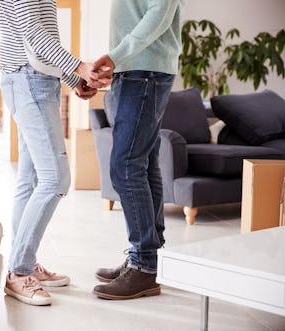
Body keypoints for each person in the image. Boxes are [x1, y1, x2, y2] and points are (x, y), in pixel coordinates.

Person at [0, 0, 110, 306]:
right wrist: (78, 67)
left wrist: (74, 79)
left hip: (35, 82)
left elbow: (39, 47)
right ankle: (19, 271)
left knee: (31, 177)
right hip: (28, 84)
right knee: (56, 179)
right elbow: (35, 35)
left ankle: (24, 261)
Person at [90, 0, 186, 300]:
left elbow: (158, 13)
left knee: (126, 166)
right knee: (144, 164)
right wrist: (117, 64)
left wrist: (117, 56)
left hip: (144, 71)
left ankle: (143, 264)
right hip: (135, 69)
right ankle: (146, 258)